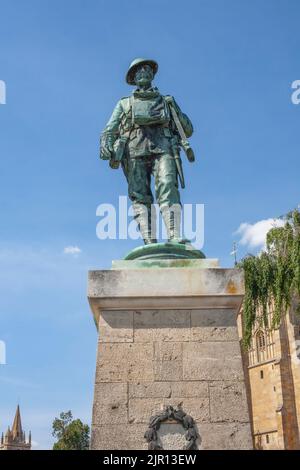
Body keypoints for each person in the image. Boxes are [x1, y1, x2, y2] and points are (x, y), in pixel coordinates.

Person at [100, 58, 194, 245]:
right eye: (138, 70)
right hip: (134, 150)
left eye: (147, 69)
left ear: (152, 74)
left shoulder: (166, 101)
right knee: (140, 195)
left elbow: (188, 130)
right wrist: (106, 145)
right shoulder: (124, 104)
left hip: (164, 147)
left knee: (168, 186)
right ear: (133, 78)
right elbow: (110, 129)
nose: (143, 71)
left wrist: (174, 109)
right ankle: (149, 240)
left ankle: (175, 234)